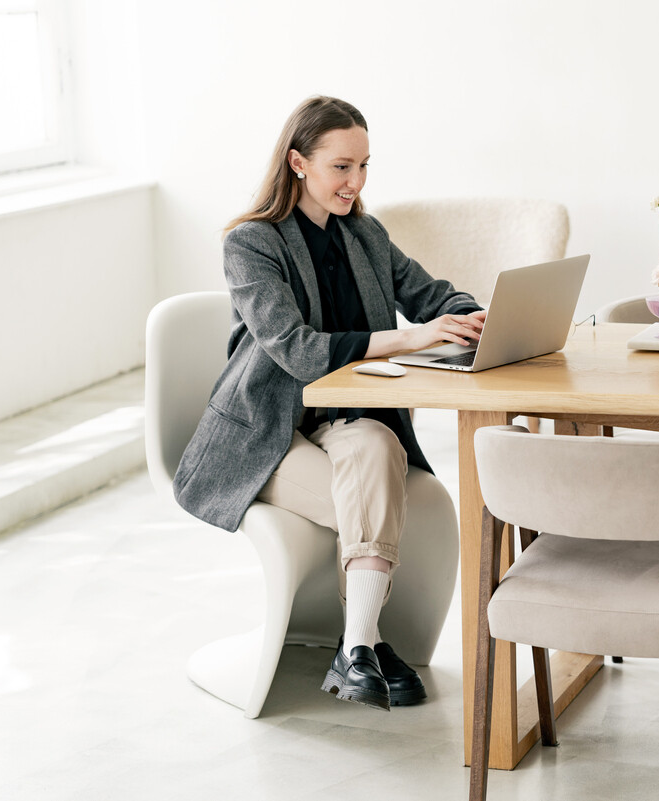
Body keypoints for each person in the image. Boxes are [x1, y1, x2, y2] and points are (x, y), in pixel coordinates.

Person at [173, 95, 486, 711]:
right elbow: (296, 350)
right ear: (297, 163)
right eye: (342, 166)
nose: (356, 182)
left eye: (365, 166)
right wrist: (408, 337)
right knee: (378, 491)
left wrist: (471, 318)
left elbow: (434, 295)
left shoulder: (366, 234)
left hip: (346, 421)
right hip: (266, 432)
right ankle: (365, 644)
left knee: (378, 444)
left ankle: (357, 647)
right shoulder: (252, 244)